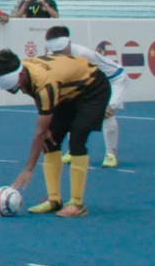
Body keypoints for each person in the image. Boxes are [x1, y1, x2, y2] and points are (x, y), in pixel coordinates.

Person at [0, 47, 108, 217]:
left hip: (92, 88)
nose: (17, 91)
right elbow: (39, 102)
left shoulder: (45, 83)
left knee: (76, 138)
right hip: (65, 92)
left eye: (15, 88)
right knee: (50, 139)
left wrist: (28, 169)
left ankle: (77, 203)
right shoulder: (23, 70)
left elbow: (39, 131)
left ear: (20, 75)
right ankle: (53, 200)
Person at [44, 26, 126, 167]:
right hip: (87, 83)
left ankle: (110, 154)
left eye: (61, 49)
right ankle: (72, 150)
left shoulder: (83, 54)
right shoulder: (52, 55)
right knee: (72, 113)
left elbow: (117, 75)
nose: (58, 53)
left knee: (107, 114)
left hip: (112, 81)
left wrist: (112, 103)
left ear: (68, 44)